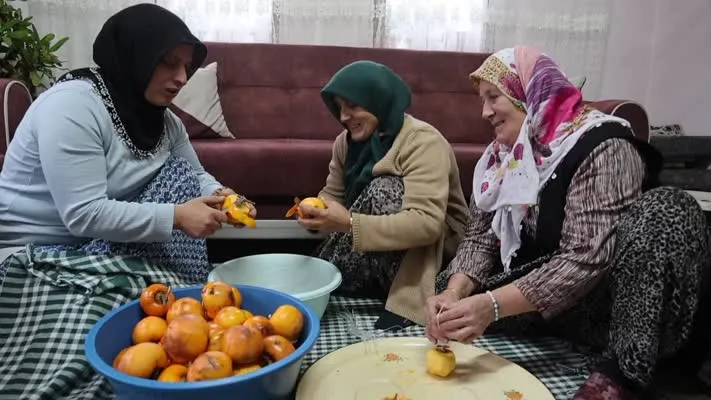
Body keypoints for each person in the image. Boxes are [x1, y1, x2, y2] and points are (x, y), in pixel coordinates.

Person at [425, 46, 710, 399]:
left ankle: (621, 373)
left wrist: (493, 305)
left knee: (667, 207)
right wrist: (454, 294)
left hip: (614, 303)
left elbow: (586, 257)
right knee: (450, 291)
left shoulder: (605, 146)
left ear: (527, 93)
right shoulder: (503, 159)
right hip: (561, 308)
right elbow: (480, 239)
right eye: (481, 100)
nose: (484, 112)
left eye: (492, 97)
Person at [0, 4, 255, 398]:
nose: (181, 78)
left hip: (102, 241)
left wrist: (229, 197)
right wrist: (176, 216)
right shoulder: (72, 107)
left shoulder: (164, 121)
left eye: (186, 66)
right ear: (134, 56)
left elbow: (195, 175)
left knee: (180, 184)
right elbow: (83, 215)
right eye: (168, 63)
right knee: (117, 328)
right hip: (38, 250)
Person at [296, 60, 470, 327]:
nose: (343, 117)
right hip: (371, 241)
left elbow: (427, 224)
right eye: (339, 108)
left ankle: (406, 290)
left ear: (378, 100)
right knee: (312, 280)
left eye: (353, 106)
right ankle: (378, 282)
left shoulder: (423, 141)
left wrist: (348, 223)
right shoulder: (344, 143)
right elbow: (332, 194)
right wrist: (315, 213)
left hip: (435, 254)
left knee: (384, 188)